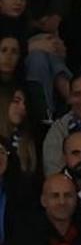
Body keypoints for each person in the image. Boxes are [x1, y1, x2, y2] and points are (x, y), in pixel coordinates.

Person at [0, 0, 71, 119]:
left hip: (30, 70)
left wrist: (56, 47)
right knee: (38, 55)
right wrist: (32, 46)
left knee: (45, 42)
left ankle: (67, 91)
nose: (18, 1)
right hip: (12, 73)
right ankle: (60, 99)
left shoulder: (24, 23)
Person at [0, 84, 41, 232]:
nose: (22, 107)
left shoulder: (29, 142)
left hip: (22, 214)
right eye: (16, 101)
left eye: (24, 103)